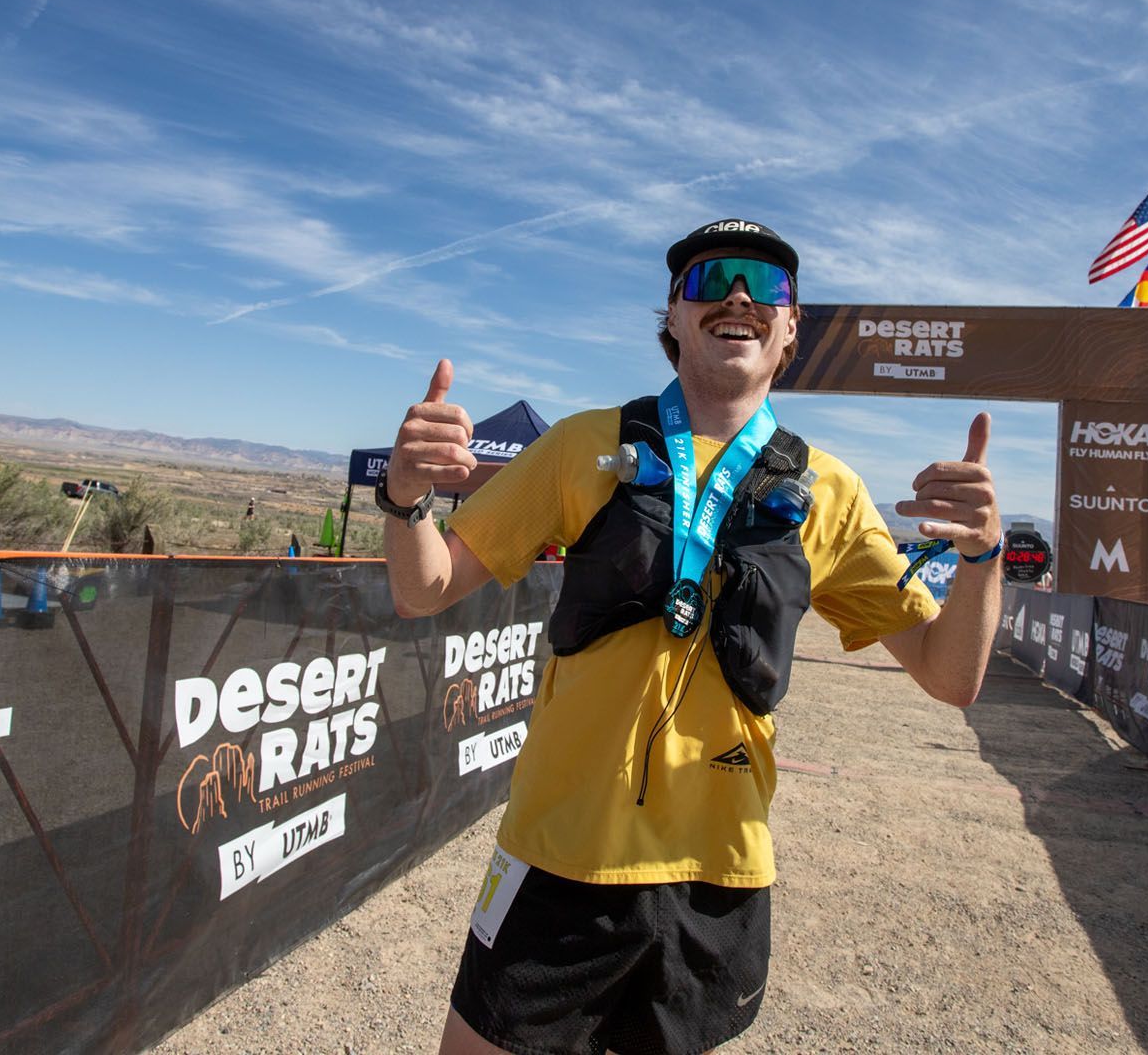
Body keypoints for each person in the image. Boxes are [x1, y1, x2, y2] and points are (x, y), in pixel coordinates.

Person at [379, 218, 1003, 1055]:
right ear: (673, 316)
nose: (738, 296)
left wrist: (984, 557)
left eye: (766, 286)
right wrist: (406, 497)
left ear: (790, 329)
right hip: (562, 857)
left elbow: (949, 676)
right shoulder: (582, 445)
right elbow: (423, 588)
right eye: (710, 281)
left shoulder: (832, 492)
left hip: (719, 880)